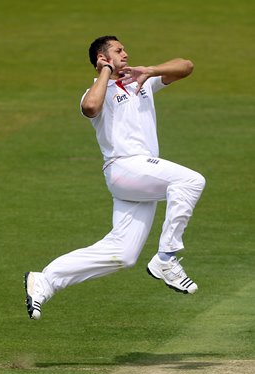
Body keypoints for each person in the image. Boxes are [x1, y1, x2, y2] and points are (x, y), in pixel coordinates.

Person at [24, 35, 206, 320]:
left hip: (141, 176)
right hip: (124, 167)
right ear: (103, 58)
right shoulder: (95, 91)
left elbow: (187, 66)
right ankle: (166, 258)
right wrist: (106, 72)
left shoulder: (141, 81)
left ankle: (46, 279)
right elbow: (90, 108)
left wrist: (151, 71)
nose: (126, 53)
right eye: (118, 51)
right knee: (191, 181)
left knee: (123, 254)